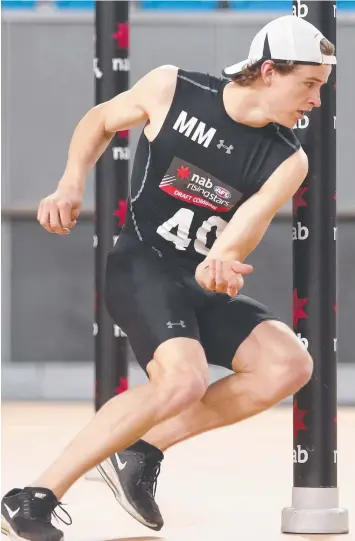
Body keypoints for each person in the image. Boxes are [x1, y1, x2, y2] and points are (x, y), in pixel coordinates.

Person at [1, 14, 335, 541]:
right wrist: (69, 184)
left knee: (288, 364)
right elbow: (99, 121)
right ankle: (34, 495)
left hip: (200, 280)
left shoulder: (287, 157)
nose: (316, 101)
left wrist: (223, 257)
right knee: (183, 379)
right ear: (269, 70)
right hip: (143, 265)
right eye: (310, 84)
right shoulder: (172, 87)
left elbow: (244, 226)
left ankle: (141, 449)